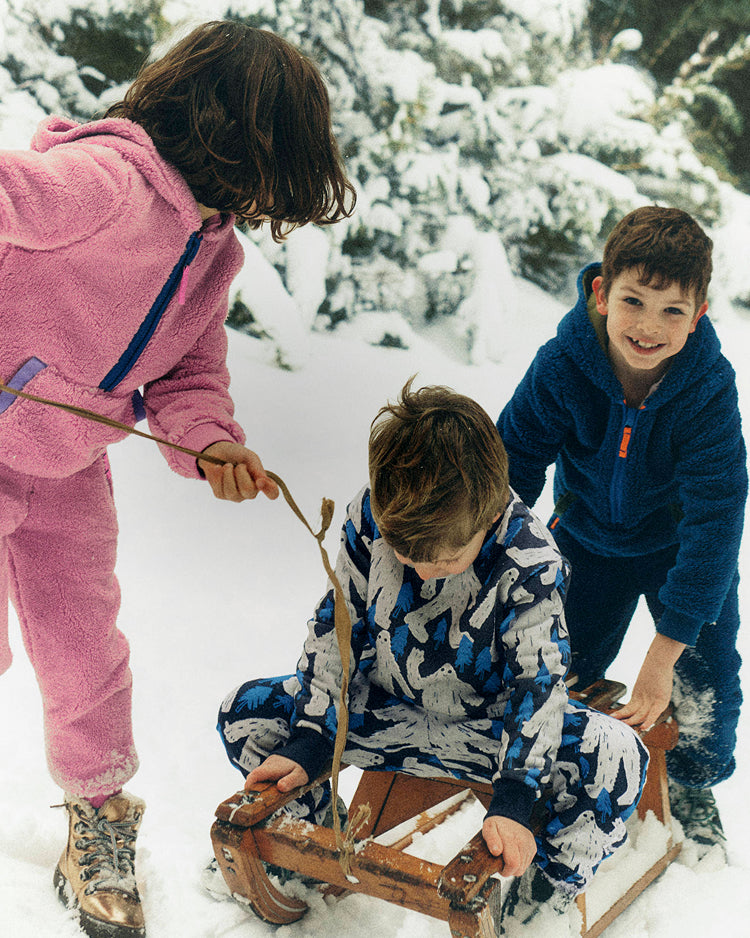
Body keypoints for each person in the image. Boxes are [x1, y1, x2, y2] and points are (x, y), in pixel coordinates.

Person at [0, 20, 355, 938]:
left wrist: (212, 445)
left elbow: (187, 377)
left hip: (68, 469)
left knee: (86, 649)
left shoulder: (215, 251)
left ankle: (99, 814)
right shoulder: (104, 183)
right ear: (234, 135)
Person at [216, 381, 648, 936]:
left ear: (489, 517)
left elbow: (536, 687)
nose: (420, 572)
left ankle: (543, 885)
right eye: (404, 555)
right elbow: (336, 632)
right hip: (386, 712)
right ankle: (306, 846)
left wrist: (515, 799)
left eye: (443, 560)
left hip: (489, 734)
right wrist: (310, 740)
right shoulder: (371, 516)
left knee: (616, 758)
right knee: (245, 712)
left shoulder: (529, 559)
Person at [497, 206, 747, 856]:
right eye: (634, 300)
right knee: (559, 664)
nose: (648, 325)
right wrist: (495, 565)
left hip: (679, 553)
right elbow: (513, 463)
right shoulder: (562, 366)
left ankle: (692, 782)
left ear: (698, 314)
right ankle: (559, 770)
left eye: (672, 310)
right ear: (601, 293)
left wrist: (663, 656)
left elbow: (717, 517)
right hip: (585, 539)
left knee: (706, 674)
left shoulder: (708, 388)